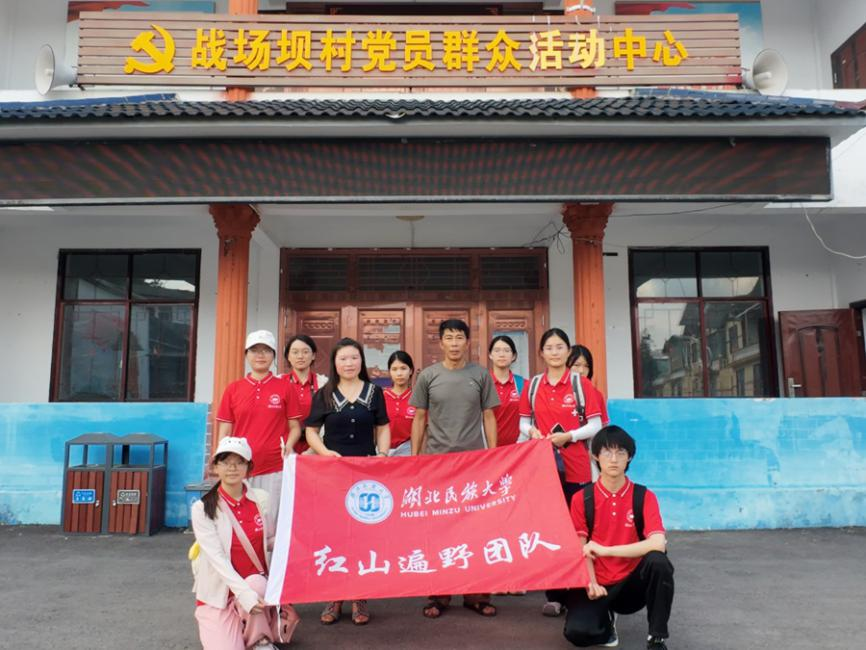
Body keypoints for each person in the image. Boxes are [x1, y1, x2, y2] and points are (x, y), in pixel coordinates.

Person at [410, 318, 500, 618]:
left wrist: (493, 456)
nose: (454, 343)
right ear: (440, 342)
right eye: (448, 337)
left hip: (474, 465)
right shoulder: (428, 376)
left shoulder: (481, 375)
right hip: (437, 463)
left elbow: (489, 416)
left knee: (476, 529)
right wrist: (415, 458)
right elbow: (419, 418)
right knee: (440, 530)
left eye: (459, 337)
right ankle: (439, 595)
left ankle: (477, 595)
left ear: (467, 341)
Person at [517, 328, 603, 618]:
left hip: (578, 469)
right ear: (541, 353)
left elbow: (596, 425)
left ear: (568, 351)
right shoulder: (533, 385)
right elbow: (523, 422)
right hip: (544, 469)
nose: (554, 352)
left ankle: (581, 591)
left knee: (579, 530)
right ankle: (555, 595)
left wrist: (570, 436)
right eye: (549, 348)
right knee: (551, 530)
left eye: (559, 347)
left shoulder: (581, 384)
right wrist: (532, 432)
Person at [305, 338, 390, 626]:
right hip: (333, 474)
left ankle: (359, 596)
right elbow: (311, 431)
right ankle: (335, 595)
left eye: (354, 358)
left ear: (361, 361)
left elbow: (383, 426)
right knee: (335, 535)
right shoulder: (325, 394)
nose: (349, 363)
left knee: (363, 535)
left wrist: (382, 454)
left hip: (366, 476)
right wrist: (324, 453)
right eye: (343, 359)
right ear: (335, 363)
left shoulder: (374, 392)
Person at [564, 426, 674, 650]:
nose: (613, 459)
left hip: (632, 584)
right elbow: (581, 548)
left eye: (620, 452)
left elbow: (658, 544)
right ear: (595, 456)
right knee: (577, 633)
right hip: (599, 583)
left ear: (629, 457)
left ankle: (656, 637)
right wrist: (591, 582)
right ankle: (606, 620)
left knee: (658, 562)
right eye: (607, 452)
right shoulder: (582, 498)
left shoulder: (644, 496)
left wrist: (607, 550)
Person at [191, 436, 298, 650]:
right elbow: (217, 558)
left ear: (249, 467)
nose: (232, 468)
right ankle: (237, 626)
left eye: (239, 462)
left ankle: (260, 639)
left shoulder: (261, 499)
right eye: (225, 462)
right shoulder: (202, 509)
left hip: (254, 586)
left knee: (256, 584)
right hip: (219, 593)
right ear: (215, 467)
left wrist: (295, 539)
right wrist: (243, 594)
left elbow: (267, 540)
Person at [216, 330, 302, 517]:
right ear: (246, 354)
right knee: (240, 517)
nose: (260, 355)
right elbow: (225, 429)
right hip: (239, 466)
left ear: (274, 355)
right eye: (254, 350)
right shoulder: (233, 389)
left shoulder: (286, 387)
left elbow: (295, 427)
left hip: (275, 466)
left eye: (266, 350)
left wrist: (289, 445)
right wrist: (220, 459)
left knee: (271, 518)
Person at [282, 334, 329, 454]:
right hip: (284, 446)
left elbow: (328, 421)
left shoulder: (324, 384)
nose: (300, 356)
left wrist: (314, 450)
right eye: (295, 352)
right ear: (288, 356)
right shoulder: (279, 383)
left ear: (313, 355)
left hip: (317, 447)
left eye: (305, 352)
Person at [488, 335, 526, 447]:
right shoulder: (483, 384)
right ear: (490, 355)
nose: (502, 354)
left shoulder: (523, 384)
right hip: (488, 449)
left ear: (514, 356)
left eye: (506, 350)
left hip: (517, 449)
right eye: (497, 350)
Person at [383, 350, 417, 456]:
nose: (399, 373)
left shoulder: (417, 397)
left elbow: (423, 428)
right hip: (383, 451)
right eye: (394, 369)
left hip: (408, 450)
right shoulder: (381, 397)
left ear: (411, 371)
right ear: (389, 372)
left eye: (403, 368)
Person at [568, 344, 610, 427]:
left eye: (586, 366)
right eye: (576, 365)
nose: (581, 370)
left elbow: (602, 427)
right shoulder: (556, 390)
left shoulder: (596, 394)